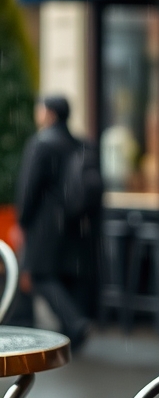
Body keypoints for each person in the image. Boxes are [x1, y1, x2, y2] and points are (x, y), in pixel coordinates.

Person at [15, 95, 92, 351]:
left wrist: (22, 221)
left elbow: (29, 188)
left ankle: (75, 322)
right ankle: (70, 328)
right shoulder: (78, 143)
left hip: (45, 223)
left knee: (40, 275)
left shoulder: (42, 143)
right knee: (63, 274)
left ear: (49, 113)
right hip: (72, 222)